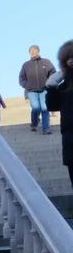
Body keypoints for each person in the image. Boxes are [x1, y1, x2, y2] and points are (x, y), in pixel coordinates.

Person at [46, 41, 73, 189]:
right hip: (70, 140)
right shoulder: (63, 85)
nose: (71, 60)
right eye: (67, 58)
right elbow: (52, 106)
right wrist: (51, 88)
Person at [19, 45, 56, 134]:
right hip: (31, 91)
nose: (33, 52)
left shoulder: (46, 62)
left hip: (44, 89)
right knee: (36, 108)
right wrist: (26, 85)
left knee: (45, 108)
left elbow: (53, 73)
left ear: (38, 52)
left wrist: (49, 83)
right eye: (31, 51)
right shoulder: (25, 65)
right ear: (29, 53)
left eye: (35, 51)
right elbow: (21, 78)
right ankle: (34, 123)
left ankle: (45, 128)